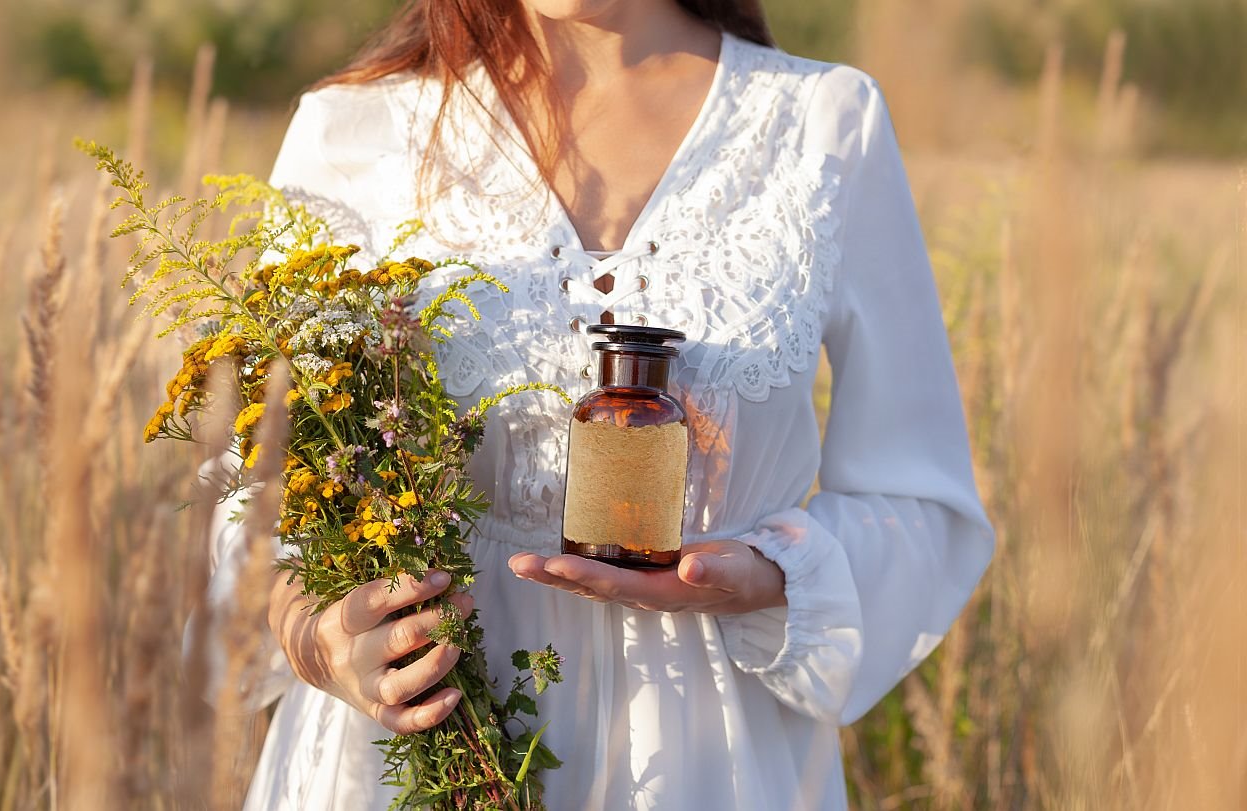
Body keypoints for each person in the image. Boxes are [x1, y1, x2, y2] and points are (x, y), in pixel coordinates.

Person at [199, 0, 996, 807]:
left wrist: (767, 576)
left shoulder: (824, 122)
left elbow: (923, 505)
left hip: (705, 766)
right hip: (412, 751)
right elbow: (256, 509)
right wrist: (324, 641)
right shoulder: (350, 133)